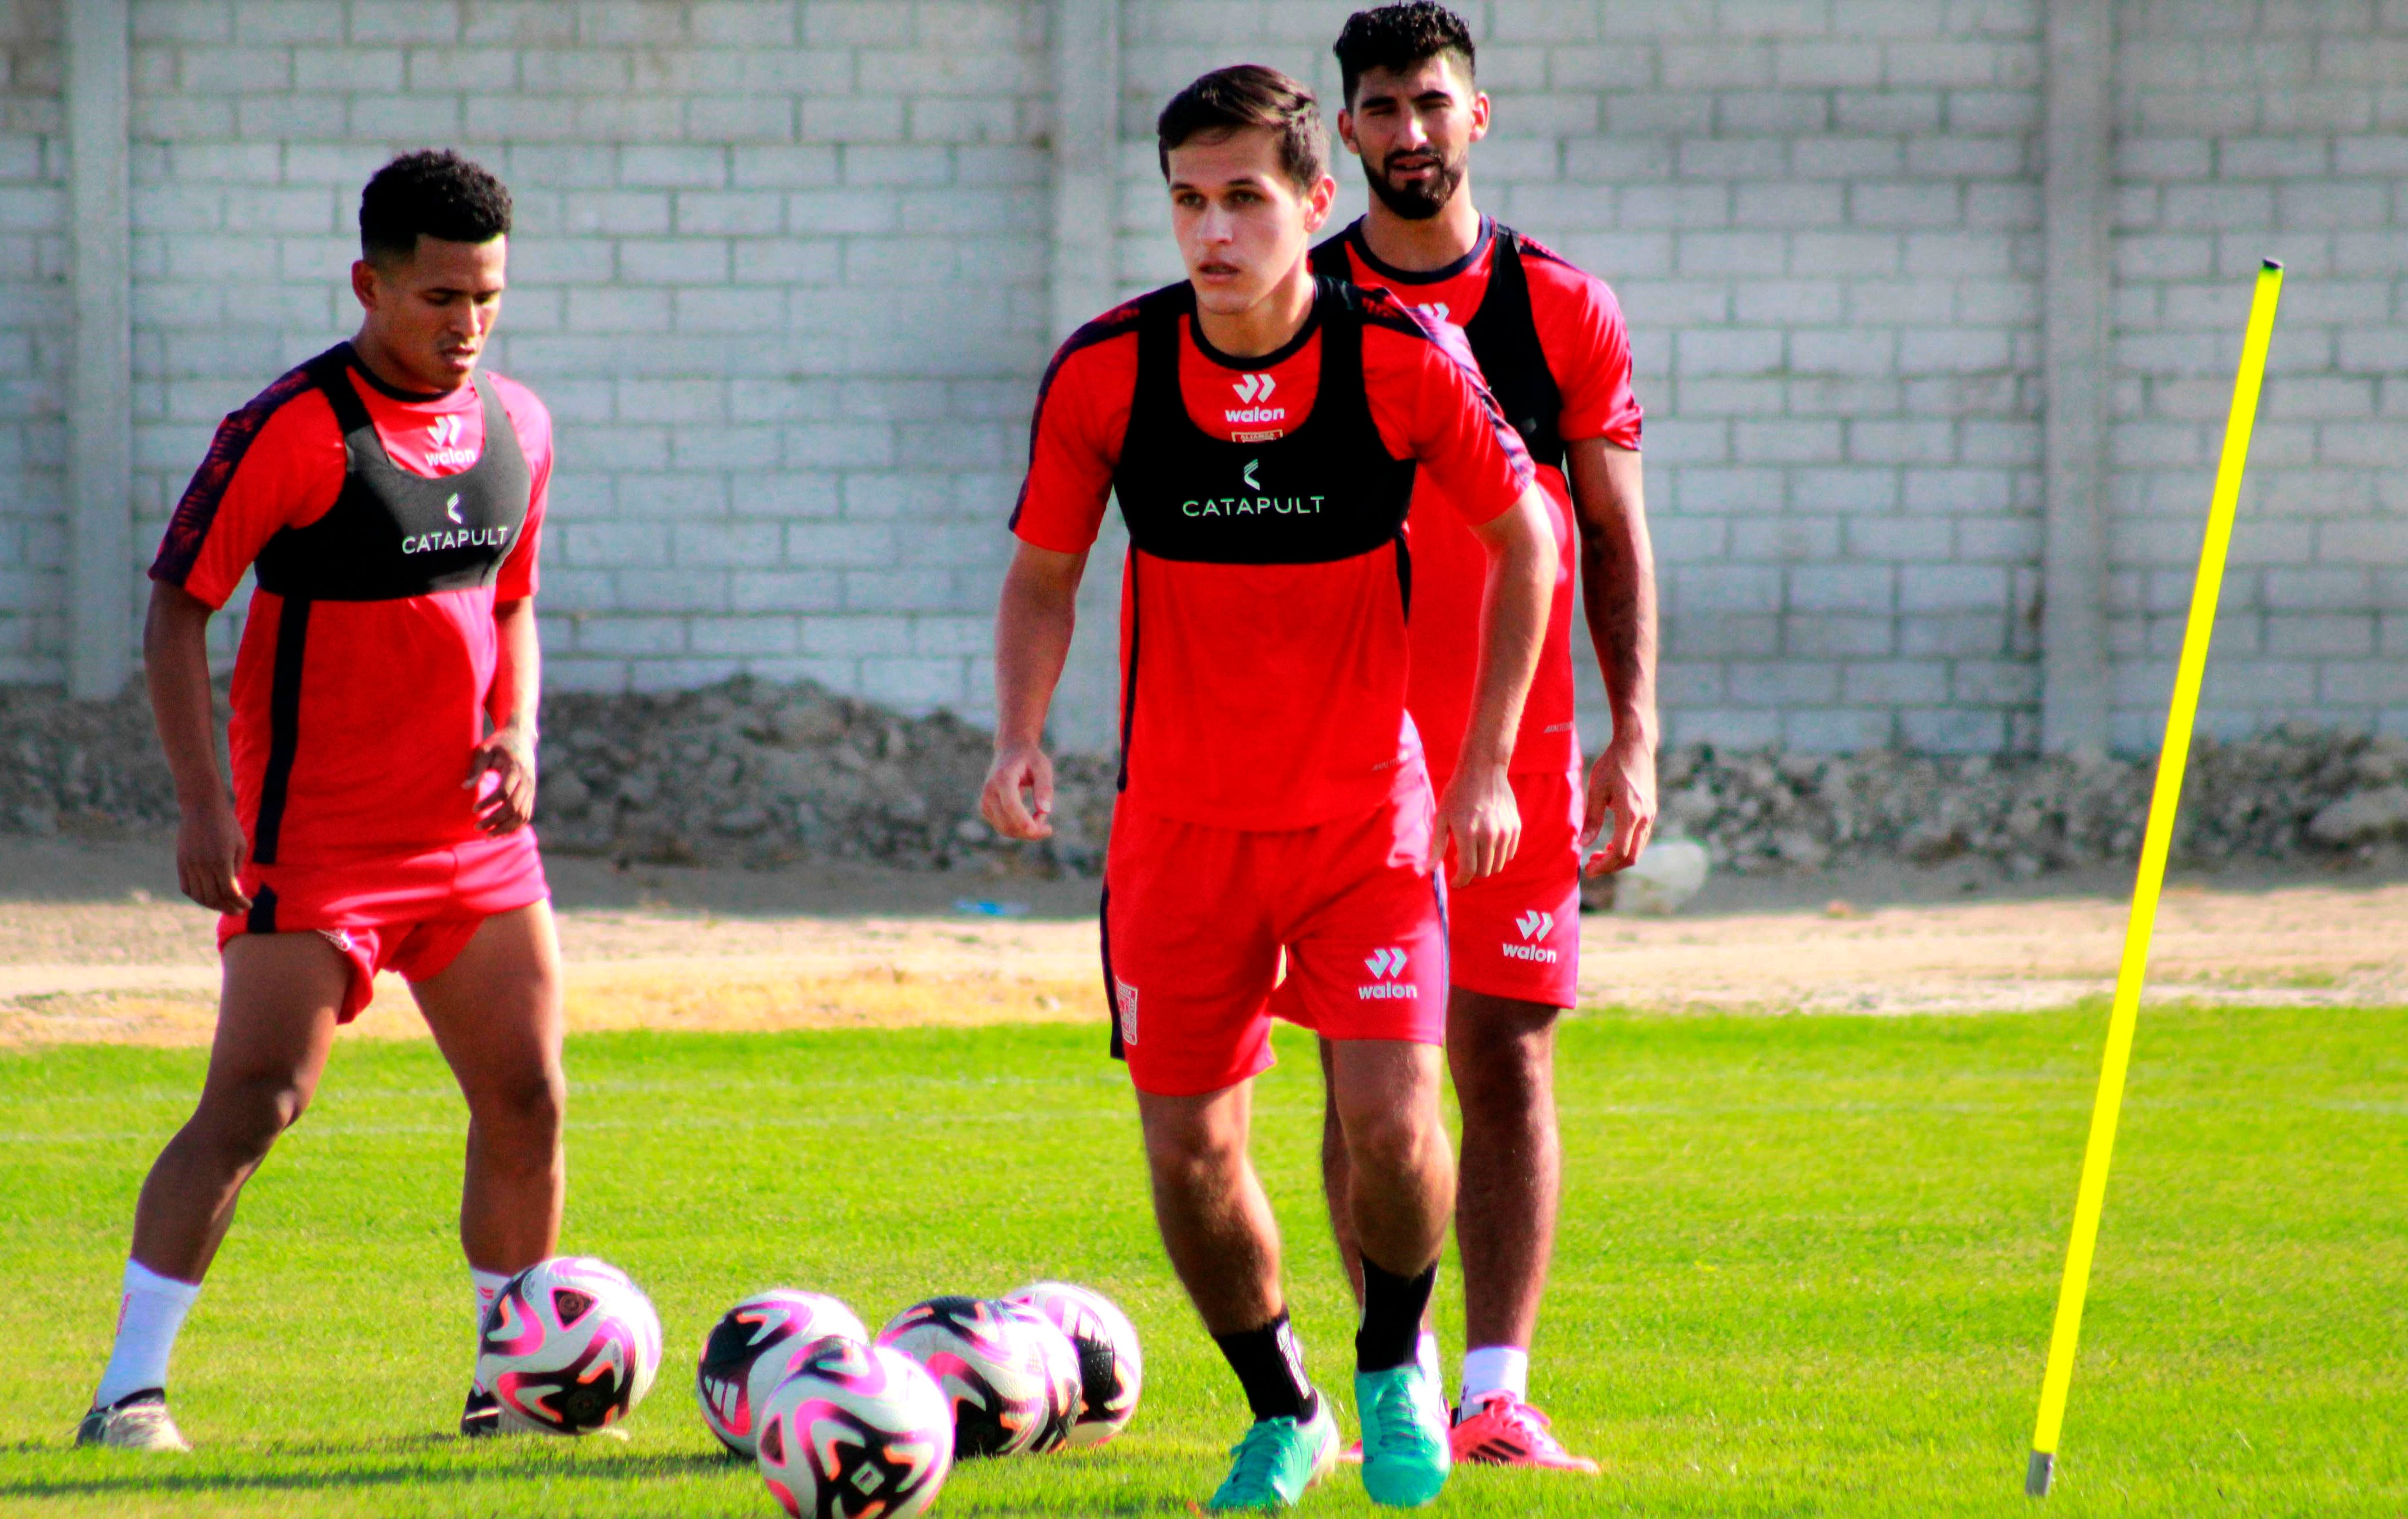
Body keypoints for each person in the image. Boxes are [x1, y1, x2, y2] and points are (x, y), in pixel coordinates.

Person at [982, 63, 1556, 1511]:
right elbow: (1043, 574)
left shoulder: (1399, 358)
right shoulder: (1107, 370)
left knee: (1394, 1125)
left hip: (1366, 822)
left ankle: (1392, 1362)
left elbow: (1528, 545)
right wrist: (1018, 734)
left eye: (1243, 197)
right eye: (1187, 201)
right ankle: (1282, 1407)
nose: (1212, 230)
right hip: (1177, 835)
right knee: (1188, 1147)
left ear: (1313, 200)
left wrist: (1485, 764)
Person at [75, 151, 563, 1450]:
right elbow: (178, 611)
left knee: (529, 1101)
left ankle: (510, 1393)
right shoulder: (294, 430)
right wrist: (204, 805)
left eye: (488, 298)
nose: (467, 326)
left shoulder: (519, 423)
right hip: (319, 843)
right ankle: (127, 1394)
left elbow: (513, 600)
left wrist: (515, 729)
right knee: (256, 1103)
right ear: (369, 284)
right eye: (441, 298)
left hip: (471, 843)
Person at [1298, 1, 1659, 1474]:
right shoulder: (1300, 303)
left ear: (1477, 116)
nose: (1409, 131)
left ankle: (1496, 1393)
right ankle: (1398, 1380)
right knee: (1367, 1071)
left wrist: (1633, 731)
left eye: (1431, 103)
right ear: (1344, 131)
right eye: (1381, 108)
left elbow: (1609, 535)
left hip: (1520, 744)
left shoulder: (1558, 306)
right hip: (1344, 757)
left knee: (1504, 1059)